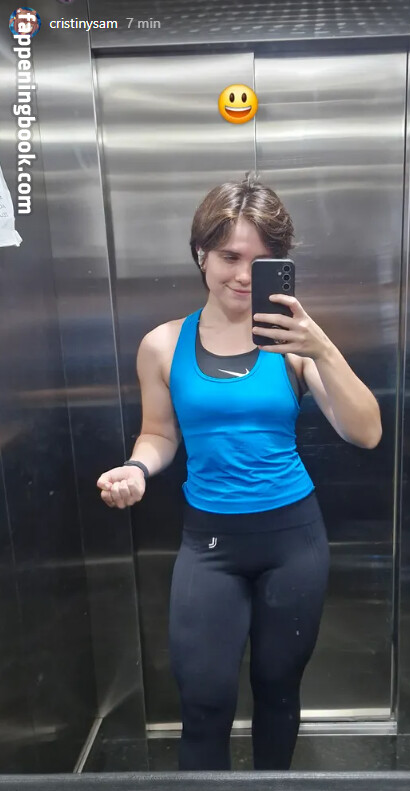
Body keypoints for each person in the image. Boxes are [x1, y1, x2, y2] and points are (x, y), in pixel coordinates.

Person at [96, 172, 382, 771]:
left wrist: (321, 347)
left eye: (261, 261)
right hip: (209, 545)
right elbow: (159, 433)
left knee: (278, 691)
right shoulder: (162, 345)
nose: (244, 276)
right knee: (203, 702)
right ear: (201, 253)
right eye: (229, 256)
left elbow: (366, 432)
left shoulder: (294, 344)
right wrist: (138, 469)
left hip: (293, 542)